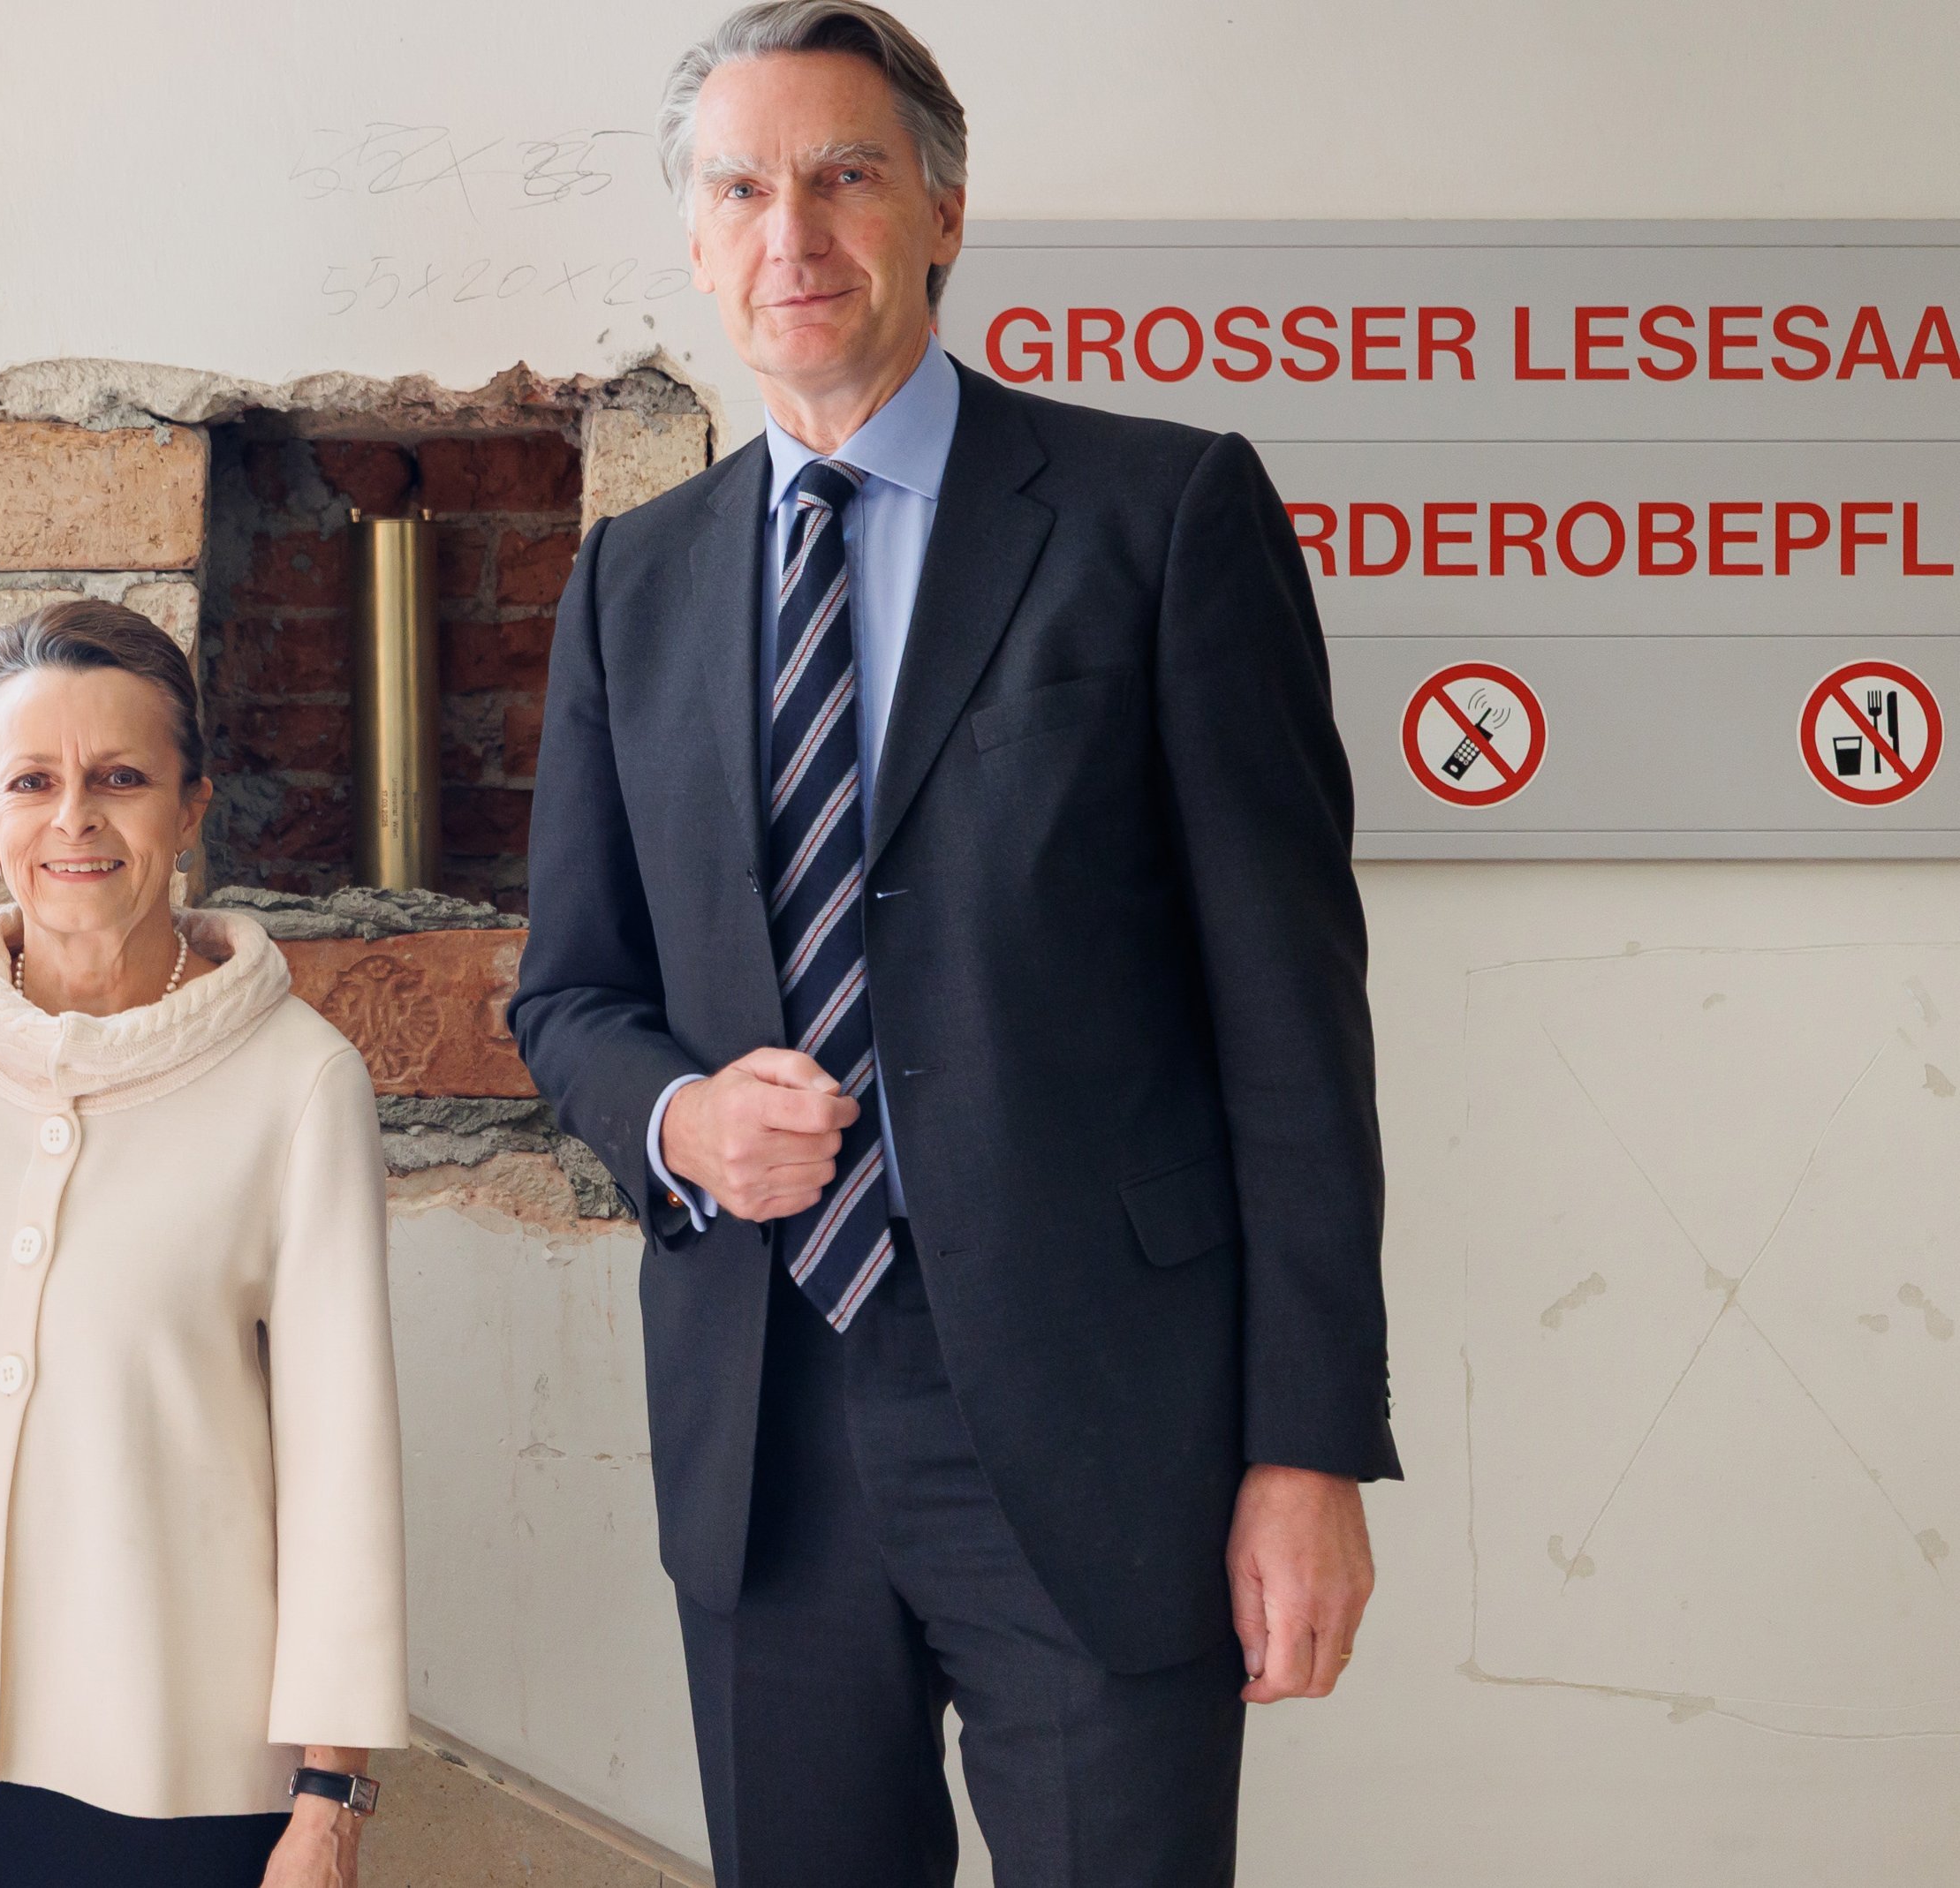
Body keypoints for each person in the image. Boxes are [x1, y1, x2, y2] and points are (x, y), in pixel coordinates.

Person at [509, 5, 1399, 1883]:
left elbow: (1293, 1024)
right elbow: (572, 992)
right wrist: (677, 1118)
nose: (792, 234)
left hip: (1103, 1427)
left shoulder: (1159, 518)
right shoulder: (634, 583)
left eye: (845, 175)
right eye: (742, 187)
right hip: (767, 1429)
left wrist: (1307, 1447)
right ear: (692, 233)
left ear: (945, 209)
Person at [0, 600, 405, 1888]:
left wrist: (331, 1795)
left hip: (179, 1763)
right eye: (33, 781)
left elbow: (341, 1464)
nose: (75, 820)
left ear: (192, 804)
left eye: (121, 778)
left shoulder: (299, 1083)